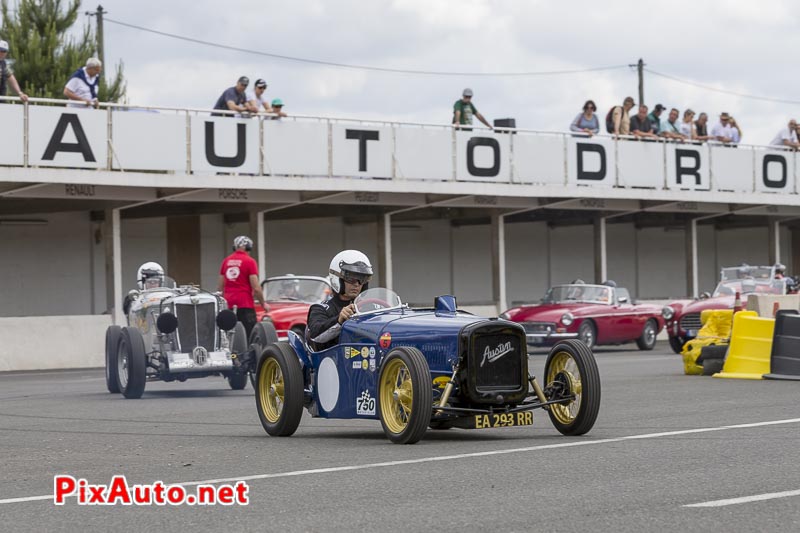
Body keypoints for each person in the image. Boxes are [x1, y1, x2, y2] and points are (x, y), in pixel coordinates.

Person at [306, 250, 373, 351]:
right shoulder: (320, 309)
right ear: (337, 279)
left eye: (362, 279)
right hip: (334, 361)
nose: (357, 284)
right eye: (351, 279)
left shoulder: (369, 307)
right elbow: (315, 336)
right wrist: (339, 320)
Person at [217, 235, 267, 338]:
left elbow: (220, 287)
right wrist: (263, 303)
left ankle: (232, 354)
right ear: (248, 248)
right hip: (245, 305)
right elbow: (256, 288)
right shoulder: (250, 261)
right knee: (249, 336)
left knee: (229, 336)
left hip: (228, 304)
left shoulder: (226, 261)